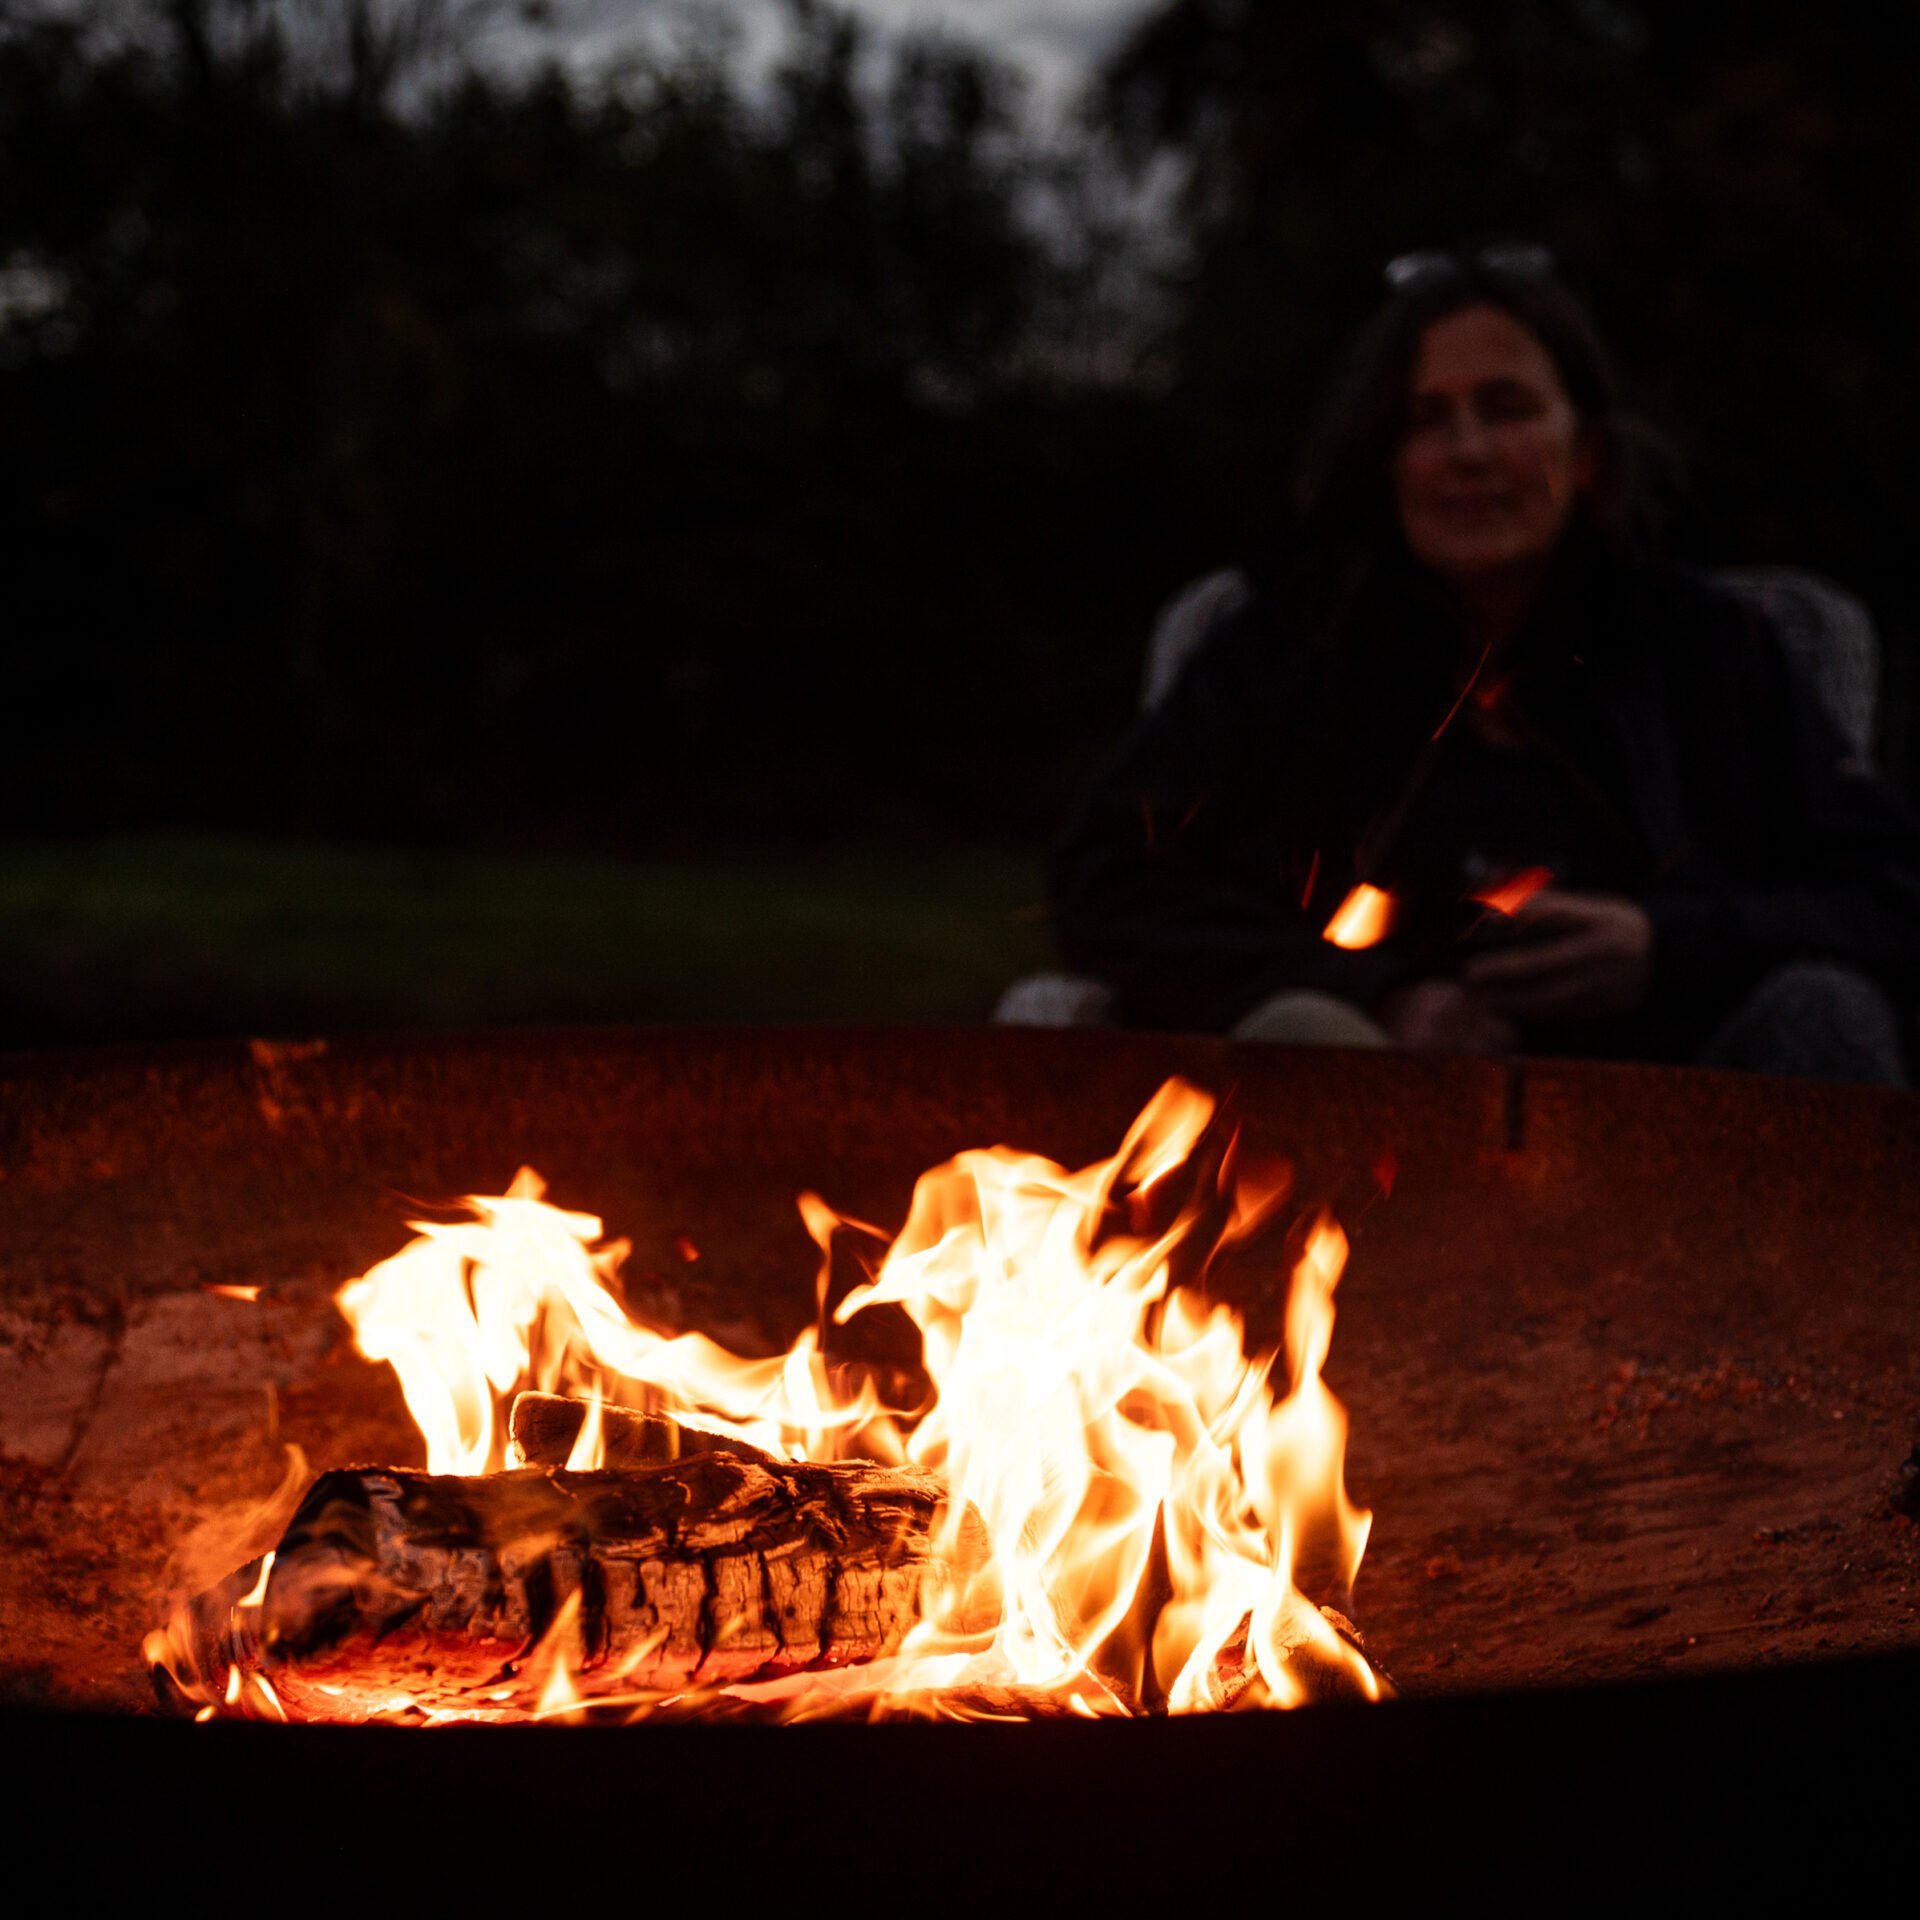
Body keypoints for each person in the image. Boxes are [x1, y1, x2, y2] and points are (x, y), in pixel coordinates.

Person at [1048, 247, 1920, 1083]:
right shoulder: (1290, 645)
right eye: (1426, 419)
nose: (1468, 452)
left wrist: (1669, 946)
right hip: (1370, 1130)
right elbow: (1107, 874)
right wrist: (1376, 993)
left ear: (1586, 451)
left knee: (1823, 1011)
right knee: (1301, 1035)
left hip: (1685, 1120)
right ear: (1385, 460)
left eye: (1506, 409)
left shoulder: (1707, 651)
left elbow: (1894, 895)